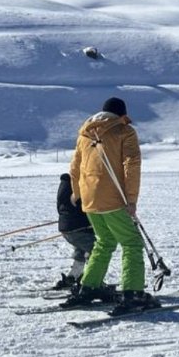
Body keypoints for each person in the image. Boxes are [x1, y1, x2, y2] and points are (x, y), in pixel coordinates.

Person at [63, 97, 159, 314]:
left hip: (89, 199)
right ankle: (133, 293)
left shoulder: (85, 134)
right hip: (113, 198)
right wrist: (131, 200)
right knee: (132, 243)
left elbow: (75, 167)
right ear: (121, 114)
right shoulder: (125, 131)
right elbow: (131, 165)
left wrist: (78, 194)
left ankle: (89, 287)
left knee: (104, 242)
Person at [52, 173, 95, 290]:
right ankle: (92, 281)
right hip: (80, 227)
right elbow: (88, 205)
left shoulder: (64, 185)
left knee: (81, 248)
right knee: (97, 250)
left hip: (66, 228)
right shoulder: (79, 184)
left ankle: (73, 276)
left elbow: (63, 206)